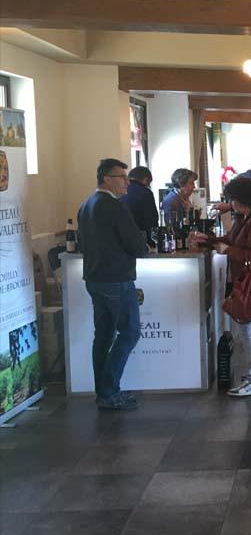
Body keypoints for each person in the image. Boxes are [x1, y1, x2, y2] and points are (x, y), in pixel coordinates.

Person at [77, 159, 149, 410]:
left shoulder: (86, 204)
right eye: (122, 177)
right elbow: (136, 244)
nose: (127, 182)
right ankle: (109, 391)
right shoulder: (114, 207)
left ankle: (104, 392)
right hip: (116, 279)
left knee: (104, 335)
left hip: (94, 279)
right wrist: (144, 248)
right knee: (130, 332)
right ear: (107, 178)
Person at [198, 177, 251, 396]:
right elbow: (233, 239)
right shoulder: (248, 217)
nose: (230, 204)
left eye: (232, 200)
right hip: (250, 280)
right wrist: (211, 240)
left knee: (247, 327)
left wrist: (227, 250)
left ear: (242, 201)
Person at [120, 166, 158, 240]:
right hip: (140, 236)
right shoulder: (145, 192)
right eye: (148, 184)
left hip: (122, 236)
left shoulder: (120, 190)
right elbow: (152, 218)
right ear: (145, 180)